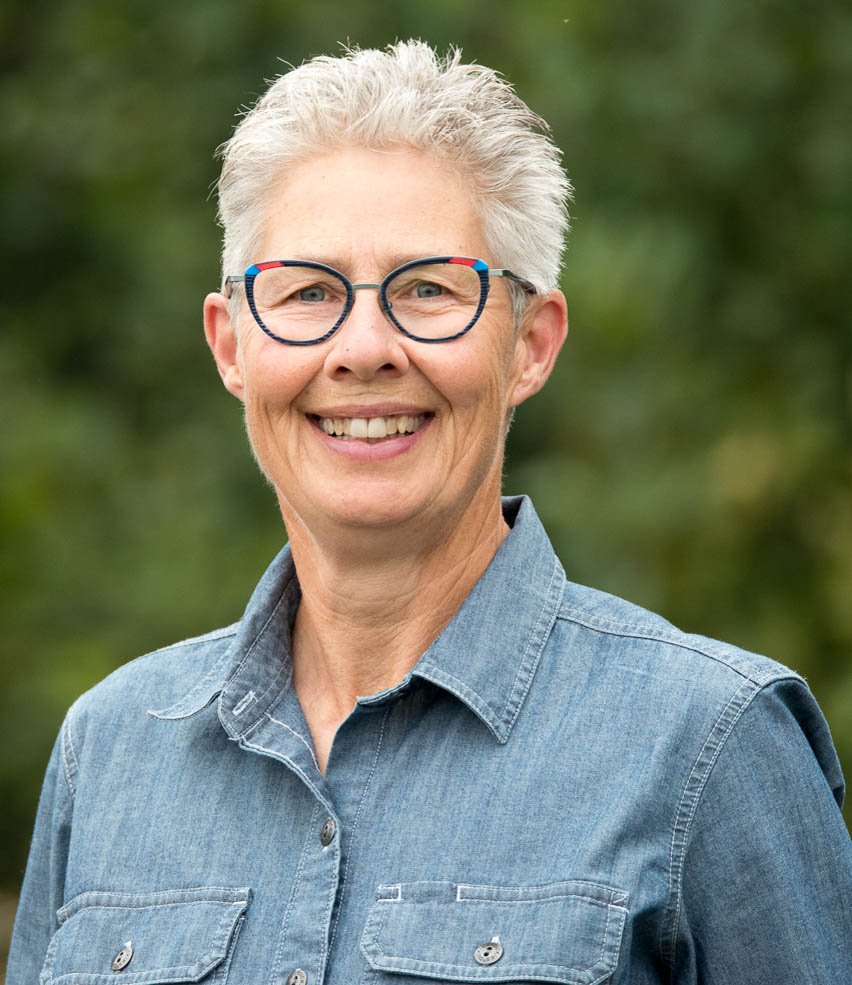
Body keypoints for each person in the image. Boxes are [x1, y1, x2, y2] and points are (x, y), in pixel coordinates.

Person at [8, 40, 851, 985]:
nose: (364, 347)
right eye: (309, 291)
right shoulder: (109, 752)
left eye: (428, 289)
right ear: (232, 344)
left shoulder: (710, 746)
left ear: (531, 344)